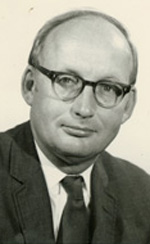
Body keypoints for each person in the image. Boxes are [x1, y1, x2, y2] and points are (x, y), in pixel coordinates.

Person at [0, 9, 150, 244]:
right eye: (66, 81)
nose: (84, 109)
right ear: (30, 86)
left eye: (108, 88)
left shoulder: (142, 194)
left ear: (128, 106)